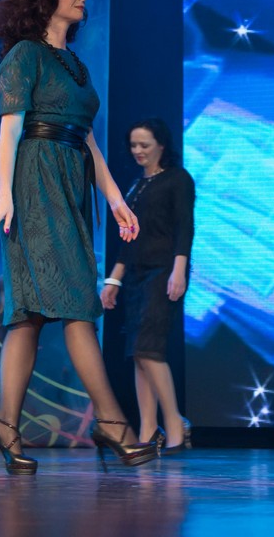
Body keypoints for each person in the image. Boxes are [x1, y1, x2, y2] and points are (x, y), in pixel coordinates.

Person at [0, 0, 157, 475]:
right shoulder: (24, 55)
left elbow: (88, 141)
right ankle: (112, 422)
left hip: (71, 184)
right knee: (77, 301)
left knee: (30, 315)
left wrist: (116, 199)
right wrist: (4, 196)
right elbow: (10, 130)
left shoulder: (74, 62)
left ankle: (5, 426)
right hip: (35, 184)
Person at [101, 118, 194, 454]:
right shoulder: (136, 185)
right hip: (137, 275)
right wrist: (114, 279)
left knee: (150, 350)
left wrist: (179, 270)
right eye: (133, 145)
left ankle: (174, 423)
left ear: (161, 145)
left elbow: (185, 227)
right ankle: (148, 429)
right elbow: (129, 239)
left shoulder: (178, 178)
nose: (137, 151)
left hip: (164, 271)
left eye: (144, 145)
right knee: (138, 354)